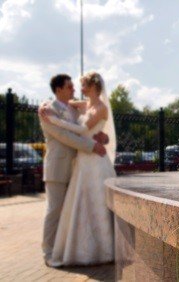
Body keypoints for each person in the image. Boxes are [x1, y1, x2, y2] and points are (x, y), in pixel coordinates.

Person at [40, 72, 116, 266]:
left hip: (81, 164)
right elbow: (64, 136)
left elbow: (89, 130)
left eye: (79, 85)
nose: (75, 89)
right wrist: (45, 108)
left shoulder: (76, 108)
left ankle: (73, 248)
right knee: (54, 211)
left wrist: (103, 138)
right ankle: (49, 253)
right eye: (70, 86)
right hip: (59, 167)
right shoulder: (48, 111)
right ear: (58, 90)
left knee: (79, 208)